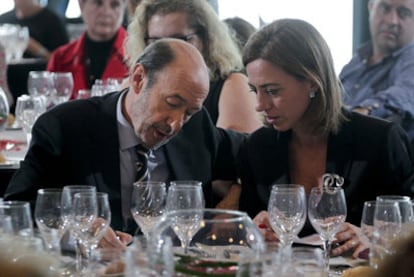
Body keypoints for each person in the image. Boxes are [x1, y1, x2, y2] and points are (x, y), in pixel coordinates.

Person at [4, 38, 244, 247]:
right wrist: (72, 232)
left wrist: (232, 201)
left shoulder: (196, 127)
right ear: (138, 79)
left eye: (189, 112)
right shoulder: (65, 127)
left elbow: (255, 152)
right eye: (171, 103)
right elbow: (15, 210)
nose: (175, 124)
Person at [237, 18, 414, 258]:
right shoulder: (257, 146)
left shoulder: (379, 139)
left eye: (272, 91)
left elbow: (407, 226)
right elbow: (246, 230)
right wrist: (257, 231)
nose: (259, 105)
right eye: (254, 90)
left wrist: (371, 236)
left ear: (312, 82)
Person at [125, 0, 262, 133]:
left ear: (205, 39)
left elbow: (233, 153)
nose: (167, 53)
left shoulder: (233, 84)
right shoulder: (136, 81)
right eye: (156, 43)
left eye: (179, 40)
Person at [340, 0, 414, 143]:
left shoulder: (410, 60)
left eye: (403, 13)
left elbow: (405, 92)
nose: (392, 20)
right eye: (385, 8)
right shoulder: (355, 62)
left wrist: (364, 110)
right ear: (370, 7)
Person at [47, 0, 129, 99]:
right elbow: (47, 105)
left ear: (123, 8)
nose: (106, 12)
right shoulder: (60, 58)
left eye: (114, 5)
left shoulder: (139, 56)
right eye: (98, 3)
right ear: (81, 5)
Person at [0, 0, 69, 60]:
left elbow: (64, 62)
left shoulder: (53, 21)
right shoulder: (3, 20)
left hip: (40, 72)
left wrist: (38, 50)